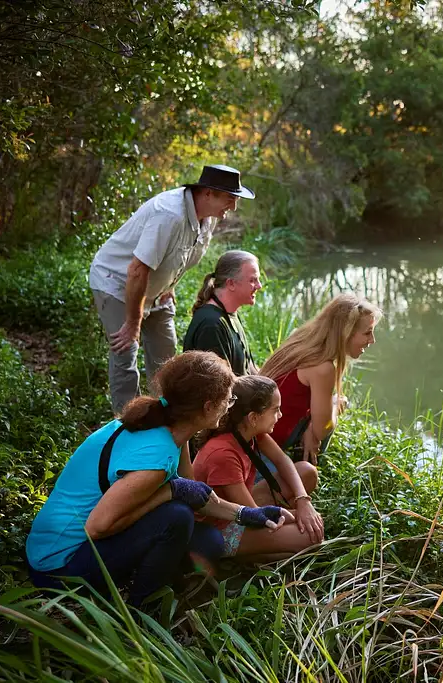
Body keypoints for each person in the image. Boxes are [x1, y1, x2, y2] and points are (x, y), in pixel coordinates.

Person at [25, 351, 293, 606]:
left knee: (206, 538)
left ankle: (164, 583)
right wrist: (168, 492)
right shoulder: (157, 458)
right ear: (209, 406)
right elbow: (97, 527)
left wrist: (245, 513)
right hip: (59, 568)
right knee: (176, 517)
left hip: (60, 549)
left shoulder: (169, 425)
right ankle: (141, 610)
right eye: (228, 400)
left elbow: (194, 493)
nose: (230, 406)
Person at [89, 164, 255, 414]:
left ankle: (162, 420)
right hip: (118, 283)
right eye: (230, 199)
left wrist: (170, 285)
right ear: (208, 193)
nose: (233, 207)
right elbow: (137, 270)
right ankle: (126, 425)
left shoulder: (207, 218)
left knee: (166, 358)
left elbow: (185, 256)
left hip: (155, 290)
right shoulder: (169, 215)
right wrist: (134, 321)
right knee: (126, 351)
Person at [193, 375, 324, 559]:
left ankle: (266, 547)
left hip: (242, 506)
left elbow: (282, 461)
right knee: (310, 537)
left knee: (306, 471)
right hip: (224, 524)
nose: (280, 415)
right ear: (253, 417)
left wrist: (303, 501)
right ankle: (243, 556)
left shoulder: (249, 430)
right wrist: (298, 516)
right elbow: (252, 514)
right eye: (276, 410)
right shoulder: (222, 453)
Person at [259, 293, 382, 463]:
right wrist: (335, 405)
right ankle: (304, 463)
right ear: (345, 333)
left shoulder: (303, 339)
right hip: (261, 454)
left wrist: (313, 426)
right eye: (368, 333)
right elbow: (322, 430)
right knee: (332, 411)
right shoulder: (322, 368)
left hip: (255, 438)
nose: (372, 340)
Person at [182, 250, 262, 376]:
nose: (259, 286)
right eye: (253, 280)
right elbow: (219, 388)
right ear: (231, 284)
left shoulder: (230, 313)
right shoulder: (211, 325)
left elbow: (248, 367)